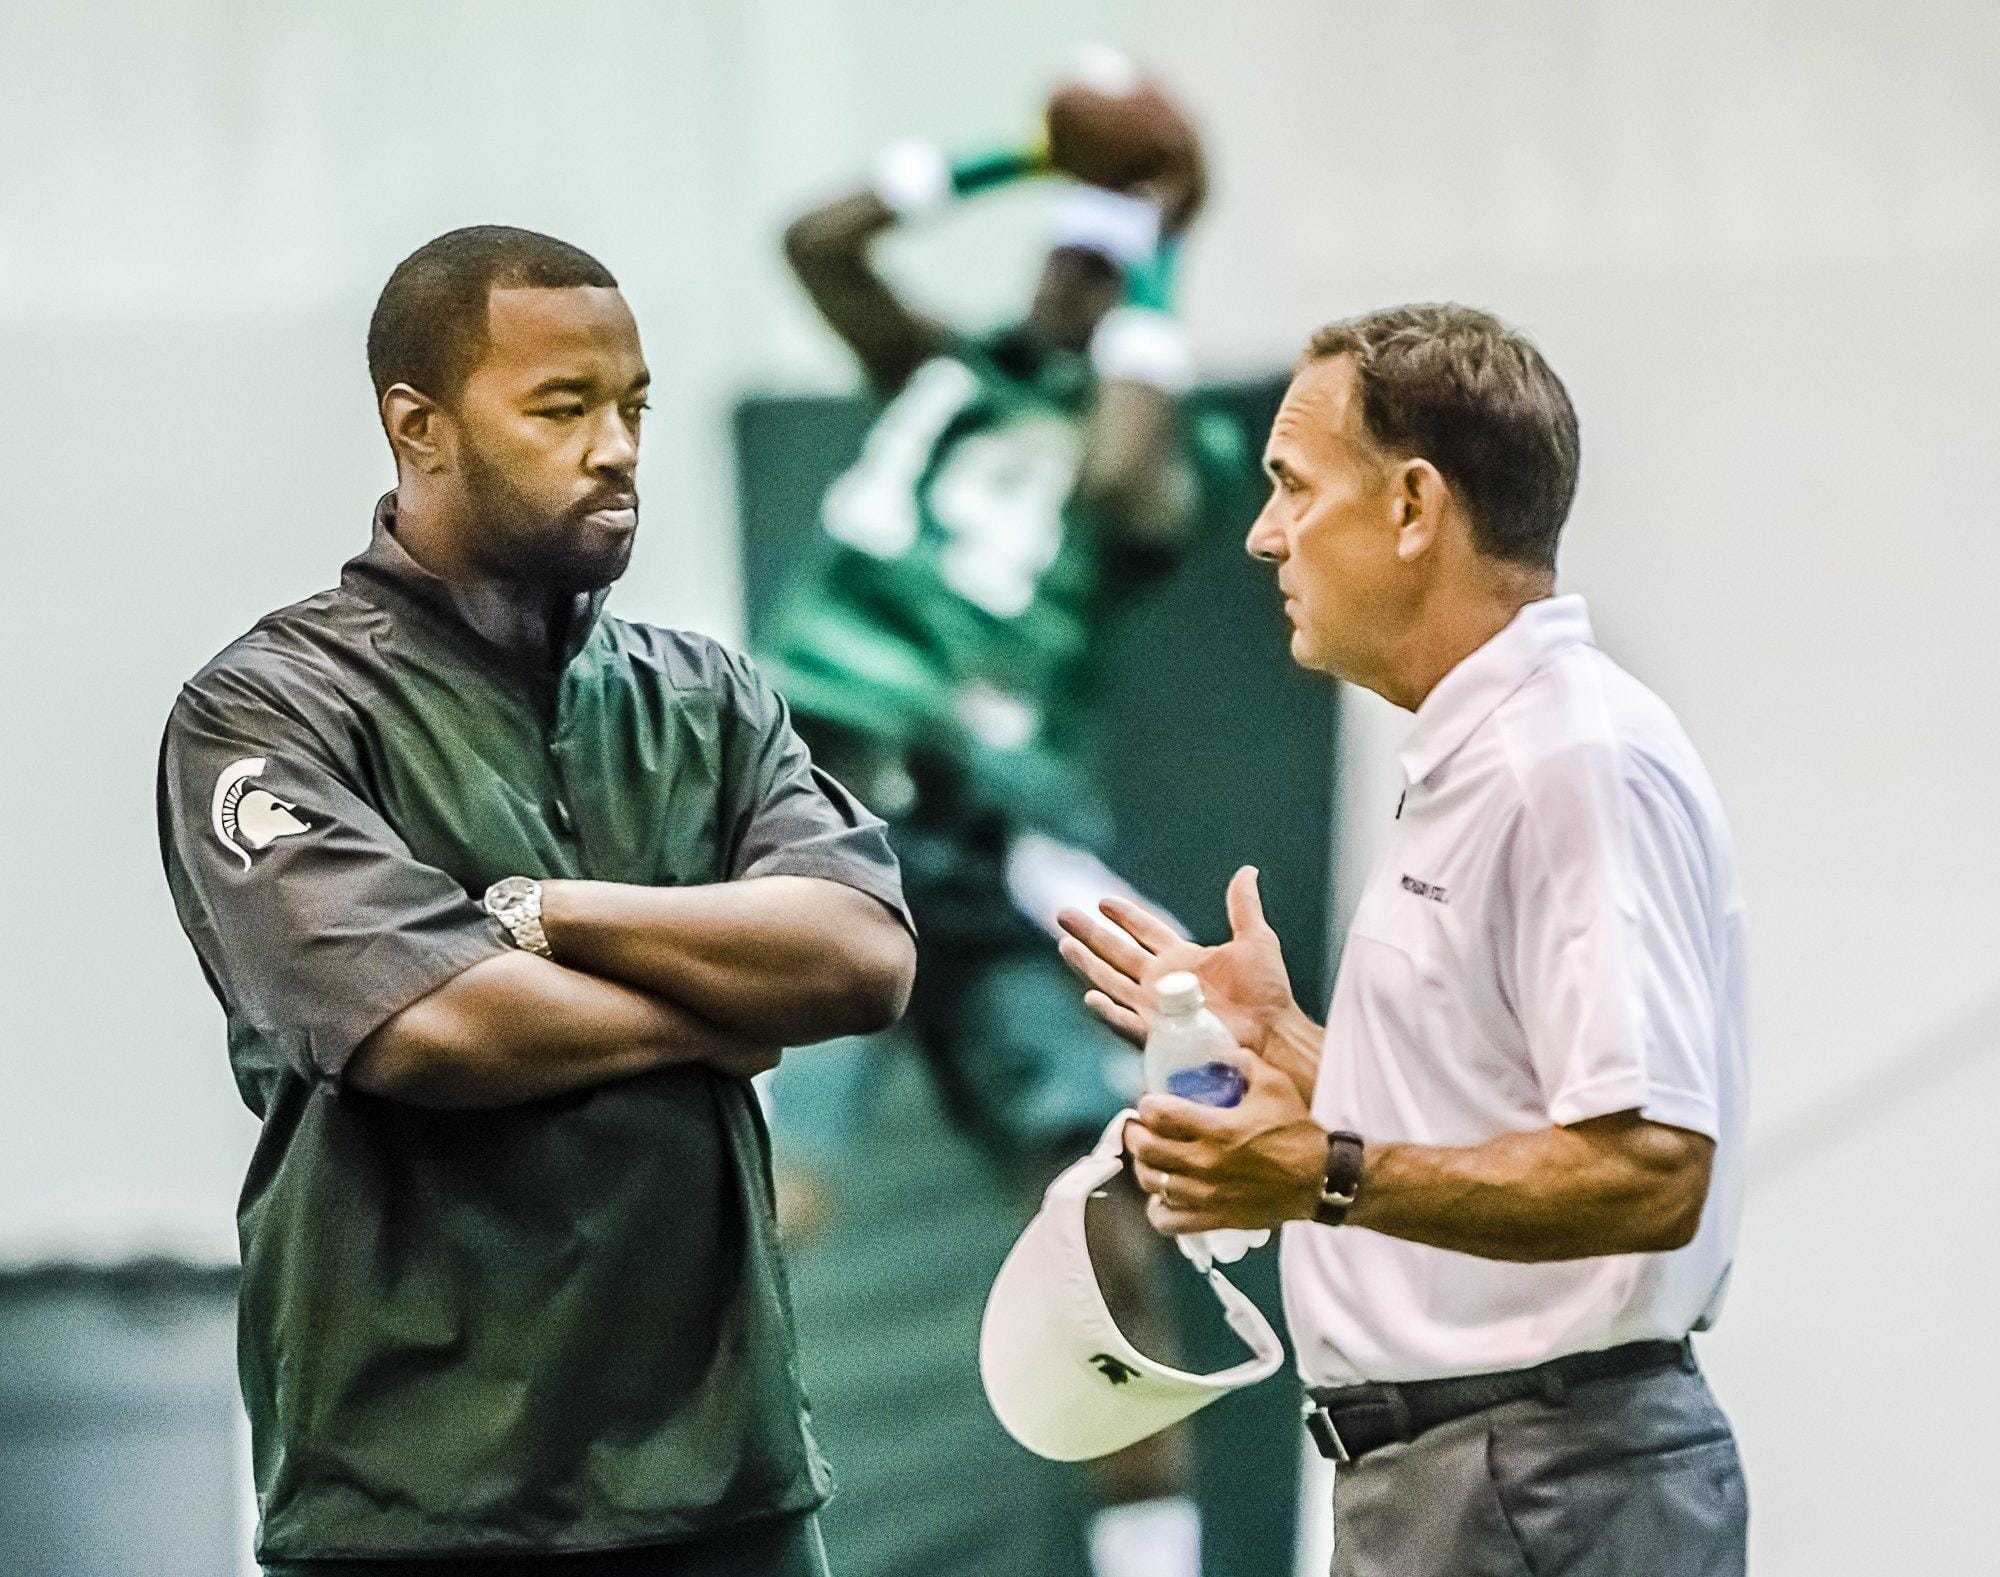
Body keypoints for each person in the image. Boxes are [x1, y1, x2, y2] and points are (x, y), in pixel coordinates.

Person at [156, 224, 916, 1577]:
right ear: (419, 426)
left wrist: (549, 914)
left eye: (632, 408)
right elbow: (434, 1032)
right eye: (562, 407)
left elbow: (860, 958)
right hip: (418, 1500)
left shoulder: (709, 697)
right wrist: (717, 1013)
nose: (617, 446)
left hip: (727, 1485)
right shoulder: (269, 713)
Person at [1058, 304, 1750, 1576]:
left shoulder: (1567, 760)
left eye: (1289, 486)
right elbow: (1503, 1115)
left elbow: (1651, 1168)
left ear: (1412, 507)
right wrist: (1295, 1051)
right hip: (1469, 1475)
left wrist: (1319, 1167)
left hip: (1537, 1478)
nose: (1264, 533)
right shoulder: (1483, 755)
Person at [758, 91, 1228, 1576]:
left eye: (1102, 263)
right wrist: (1030, 156)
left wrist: (1152, 242)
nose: (1068, 278)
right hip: (835, 816)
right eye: (1062, 251)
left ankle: (1148, 1566)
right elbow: (819, 241)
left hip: (1000, 842)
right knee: (764, 1195)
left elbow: (1118, 481)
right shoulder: (942, 376)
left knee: (1107, 1223)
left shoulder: (1154, 456)